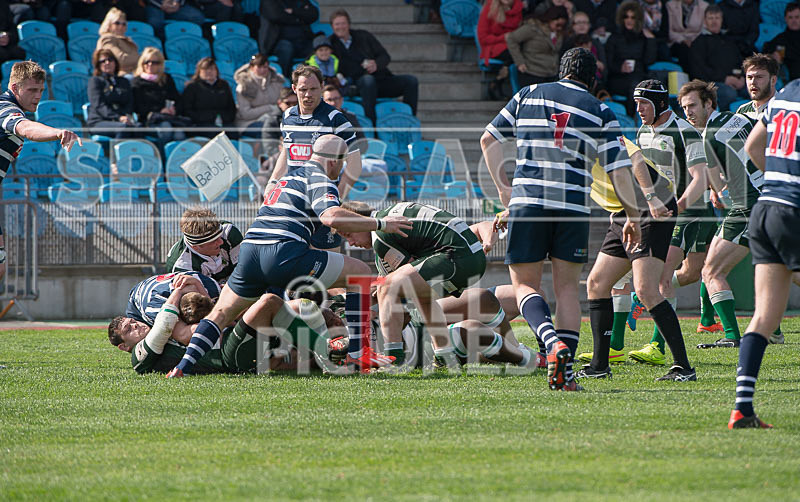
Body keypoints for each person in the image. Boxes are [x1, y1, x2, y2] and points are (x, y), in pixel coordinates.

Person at [166, 134, 413, 378]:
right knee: (358, 271)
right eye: (342, 163)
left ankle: (182, 367)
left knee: (219, 314)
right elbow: (330, 216)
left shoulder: (287, 178)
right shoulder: (320, 177)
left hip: (251, 251)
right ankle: (358, 353)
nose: (341, 169)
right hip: (283, 250)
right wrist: (381, 224)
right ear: (333, 162)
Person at [480, 48, 639, 391]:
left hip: (530, 202)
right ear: (592, 78)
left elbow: (488, 138)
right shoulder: (600, 110)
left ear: (561, 70)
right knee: (568, 289)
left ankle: (551, 344)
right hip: (573, 207)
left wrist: (504, 189)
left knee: (525, 286)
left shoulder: (527, 94)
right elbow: (618, 168)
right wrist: (634, 212)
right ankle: (565, 376)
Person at [578, 89, 683, 380]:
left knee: (647, 290)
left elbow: (636, 160)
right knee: (597, 283)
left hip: (651, 205)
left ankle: (684, 367)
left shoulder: (597, 133)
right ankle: (600, 366)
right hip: (624, 212)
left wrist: (649, 198)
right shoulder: (565, 147)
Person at [626, 79, 719, 370]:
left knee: (691, 274)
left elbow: (699, 178)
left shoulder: (684, 132)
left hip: (689, 212)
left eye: (644, 103)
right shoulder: (642, 131)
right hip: (660, 217)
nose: (639, 110)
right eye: (637, 104)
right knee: (665, 277)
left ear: (660, 104)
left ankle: (643, 298)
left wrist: (675, 207)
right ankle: (655, 344)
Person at [336, 201, 492, 369]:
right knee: (421, 295)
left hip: (458, 256)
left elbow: (390, 286)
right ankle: (444, 357)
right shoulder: (385, 223)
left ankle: (393, 361)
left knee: (388, 288)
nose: (350, 243)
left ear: (360, 222)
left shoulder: (381, 236)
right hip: (470, 257)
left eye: (348, 234)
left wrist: (348, 301)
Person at [726, 80, 800, 429]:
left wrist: (777, 177)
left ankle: (743, 409)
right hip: (794, 211)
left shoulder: (786, 92)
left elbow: (754, 145)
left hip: (767, 207)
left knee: (765, 316)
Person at [676, 80, 759, 349]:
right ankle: (722, 328)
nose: (688, 113)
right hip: (767, 199)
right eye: (684, 108)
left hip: (748, 207)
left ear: (709, 103)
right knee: (788, 270)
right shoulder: (738, 118)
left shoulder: (708, 135)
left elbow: (715, 185)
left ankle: (733, 336)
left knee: (711, 270)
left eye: (692, 106)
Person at [1, 61, 81, 281]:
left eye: (41, 91)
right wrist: (57, 132)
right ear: (15, 88)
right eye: (32, 90)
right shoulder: (5, 108)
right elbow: (25, 128)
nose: (38, 96)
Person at [268, 65, 361, 200]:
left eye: (313, 89)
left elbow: (355, 163)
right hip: (294, 196)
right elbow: (286, 152)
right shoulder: (287, 116)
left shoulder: (336, 119)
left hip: (322, 197)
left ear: (322, 86)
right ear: (294, 89)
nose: (308, 94)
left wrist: (338, 196)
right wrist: (273, 182)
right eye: (303, 89)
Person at [328, 9, 419, 126]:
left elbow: (385, 56)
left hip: (380, 79)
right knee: (368, 81)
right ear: (332, 26)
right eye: (337, 24)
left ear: (349, 24)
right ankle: (372, 125)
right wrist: (362, 69)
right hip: (356, 85)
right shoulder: (330, 43)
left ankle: (411, 121)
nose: (341, 27)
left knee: (411, 81)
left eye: (343, 23)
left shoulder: (364, 36)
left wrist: (376, 64)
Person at [687, 5, 747, 112]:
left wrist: (742, 77)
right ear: (705, 21)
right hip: (711, 84)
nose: (714, 22)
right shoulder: (698, 42)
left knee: (755, 88)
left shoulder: (729, 41)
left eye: (717, 18)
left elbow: (740, 62)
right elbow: (699, 71)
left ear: (721, 20)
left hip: (736, 81)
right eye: (711, 18)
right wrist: (724, 79)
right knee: (729, 93)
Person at [165, 207, 243, 285]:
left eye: (219, 236)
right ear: (195, 247)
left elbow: (245, 270)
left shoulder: (229, 232)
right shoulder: (182, 266)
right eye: (213, 241)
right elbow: (198, 295)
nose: (221, 242)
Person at [605, 1, 657, 115]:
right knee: (635, 86)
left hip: (638, 75)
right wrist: (620, 67)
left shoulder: (643, 37)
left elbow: (649, 60)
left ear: (637, 19)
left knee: (641, 84)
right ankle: (632, 119)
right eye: (626, 17)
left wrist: (651, 40)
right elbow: (608, 63)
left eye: (633, 17)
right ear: (621, 18)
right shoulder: (614, 37)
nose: (629, 20)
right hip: (618, 78)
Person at [131, 48, 188, 143]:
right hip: (149, 120)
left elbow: (176, 99)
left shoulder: (166, 79)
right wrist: (159, 111)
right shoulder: (136, 83)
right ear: (142, 63)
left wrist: (173, 109)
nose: (150, 65)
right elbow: (137, 107)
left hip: (169, 118)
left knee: (179, 134)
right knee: (166, 128)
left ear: (160, 64)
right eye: (147, 62)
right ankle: (160, 156)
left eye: (154, 62)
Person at [506, 6, 569, 87]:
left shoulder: (560, 34)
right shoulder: (532, 28)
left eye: (562, 26)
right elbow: (512, 39)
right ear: (550, 19)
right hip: (531, 72)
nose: (559, 28)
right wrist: (519, 62)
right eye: (558, 25)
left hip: (551, 74)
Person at [87, 49, 138, 139]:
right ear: (98, 65)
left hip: (122, 119)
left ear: (115, 62)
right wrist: (118, 117)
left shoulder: (124, 81)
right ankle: (117, 153)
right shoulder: (95, 81)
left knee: (139, 128)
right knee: (123, 128)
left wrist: (125, 116)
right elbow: (99, 105)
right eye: (103, 61)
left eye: (110, 60)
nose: (107, 63)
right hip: (99, 121)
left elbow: (129, 102)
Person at [477, 0, 523, 99]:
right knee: (514, 55)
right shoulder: (490, 8)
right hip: (493, 46)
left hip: (514, 45)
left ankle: (497, 81)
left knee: (522, 52)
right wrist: (503, 38)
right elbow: (483, 37)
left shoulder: (520, 9)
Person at [182, 57, 237, 136]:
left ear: (216, 71)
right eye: (205, 69)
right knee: (214, 133)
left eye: (212, 69)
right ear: (199, 71)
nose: (209, 72)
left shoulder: (224, 85)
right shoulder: (192, 87)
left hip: (223, 122)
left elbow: (231, 108)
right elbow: (187, 111)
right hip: (200, 124)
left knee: (233, 133)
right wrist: (208, 117)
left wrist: (222, 117)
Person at [263, 0, 319, 78]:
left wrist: (293, 11)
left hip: (304, 41)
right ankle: (284, 80)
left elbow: (314, 14)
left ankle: (309, 79)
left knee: (318, 48)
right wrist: (301, 18)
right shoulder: (270, 1)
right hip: (280, 42)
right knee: (286, 48)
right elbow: (276, 16)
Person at [234, 54, 284, 140]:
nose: (263, 70)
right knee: (268, 130)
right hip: (248, 123)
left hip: (274, 118)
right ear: (252, 67)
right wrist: (269, 108)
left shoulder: (277, 82)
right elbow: (246, 114)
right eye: (259, 67)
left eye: (265, 67)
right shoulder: (243, 86)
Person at [666, 0, 708, 71]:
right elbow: (669, 31)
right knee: (684, 50)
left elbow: (703, 30)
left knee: (697, 50)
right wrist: (683, 40)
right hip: (677, 41)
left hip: (696, 41)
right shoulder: (670, 5)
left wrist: (693, 41)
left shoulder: (704, 6)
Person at [763, 3, 800, 82]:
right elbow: (765, 51)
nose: (794, 21)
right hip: (793, 80)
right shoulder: (781, 39)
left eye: (797, 17)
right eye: (790, 17)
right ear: (785, 19)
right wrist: (772, 56)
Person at [96, 7, 139, 76]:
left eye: (124, 24)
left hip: (133, 73)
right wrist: (142, 59)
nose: (121, 26)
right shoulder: (107, 39)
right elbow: (119, 59)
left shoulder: (125, 40)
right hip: (119, 76)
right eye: (117, 23)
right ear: (109, 25)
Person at [736, 54, 779, 121]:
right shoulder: (742, 111)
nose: (753, 82)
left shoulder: (784, 109)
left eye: (759, 77)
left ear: (773, 80)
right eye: (749, 77)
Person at [0, 0, 26, 66]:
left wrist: (8, 37)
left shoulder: (3, 4)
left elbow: (12, 27)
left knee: (18, 52)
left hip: (5, 42)